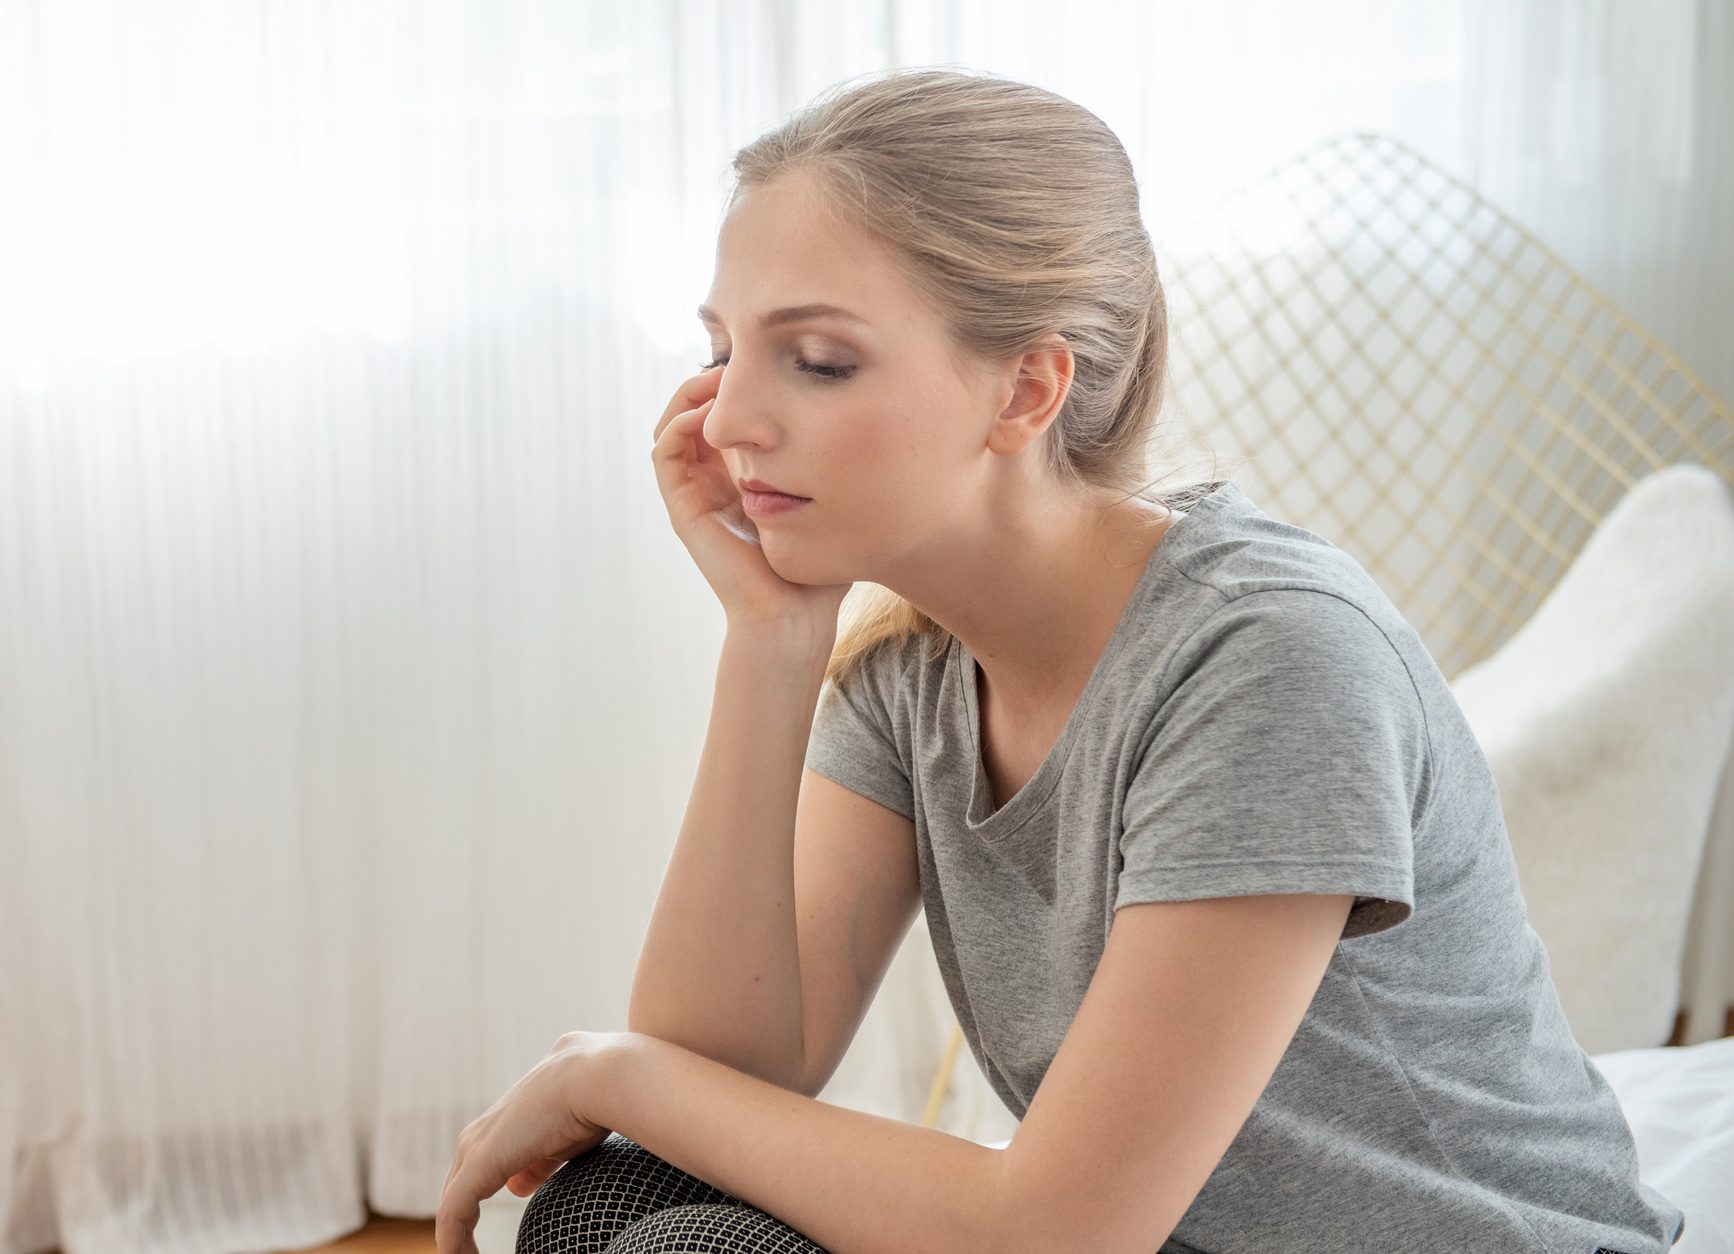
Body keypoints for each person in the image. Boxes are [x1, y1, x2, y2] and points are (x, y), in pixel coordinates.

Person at [515, 67, 1687, 1254]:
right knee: (607, 1203)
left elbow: (1053, 1233)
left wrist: (611, 1077)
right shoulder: (911, 669)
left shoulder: (1267, 659)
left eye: (816, 360)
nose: (722, 422)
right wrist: (769, 641)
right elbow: (721, 1073)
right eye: (722, 348)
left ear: (1025, 388)